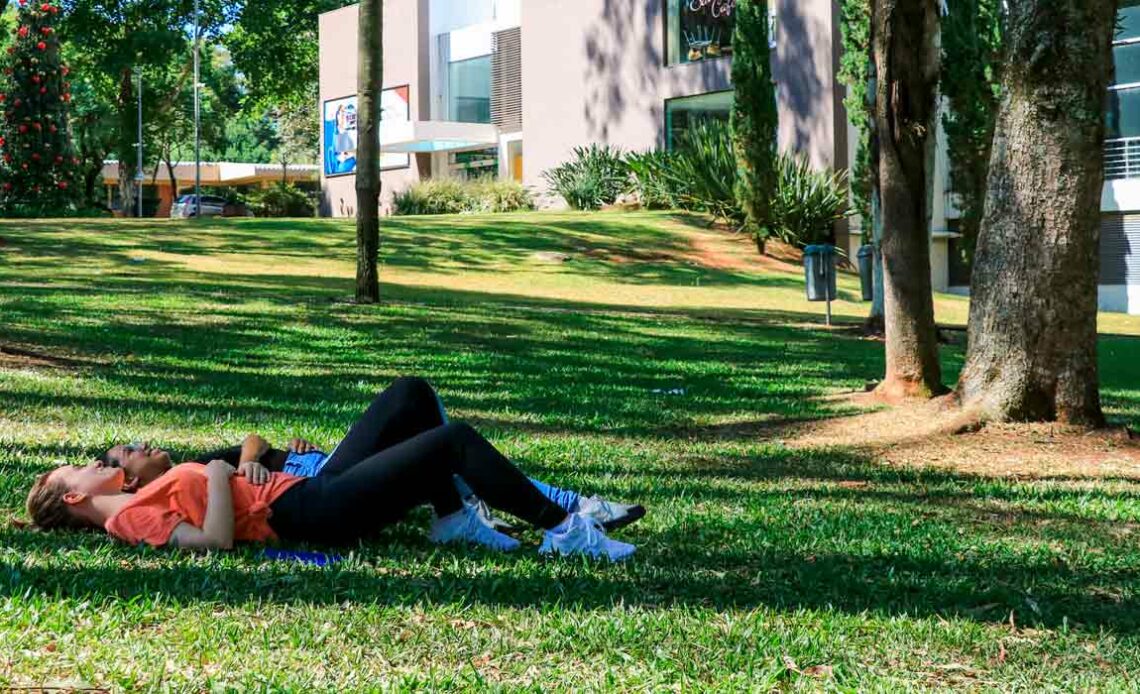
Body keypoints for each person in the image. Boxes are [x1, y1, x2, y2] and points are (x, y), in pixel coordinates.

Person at [99, 377, 645, 532]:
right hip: (316, 497)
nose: (143, 446)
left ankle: (458, 516)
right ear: (128, 480)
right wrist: (229, 475)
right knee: (450, 441)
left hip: (321, 472)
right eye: (131, 452)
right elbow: (216, 537)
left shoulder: (198, 462)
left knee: (413, 394)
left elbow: (256, 442)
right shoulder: (166, 495)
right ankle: (565, 521)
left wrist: (248, 458)